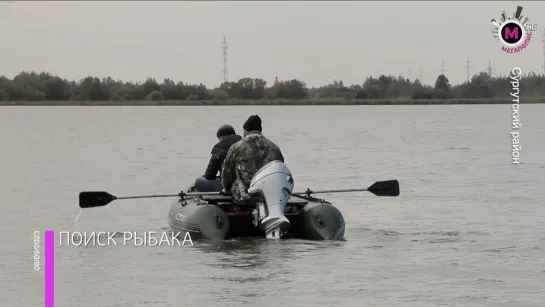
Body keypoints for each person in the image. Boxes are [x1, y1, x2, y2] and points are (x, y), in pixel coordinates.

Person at [221, 115, 284, 203]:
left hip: (244, 195)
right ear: (260, 130)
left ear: (246, 130)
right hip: (269, 193)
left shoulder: (237, 147)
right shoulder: (274, 147)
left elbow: (226, 174)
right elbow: (280, 169)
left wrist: (227, 188)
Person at [193, 124, 242, 192]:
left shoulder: (219, 147)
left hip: (230, 186)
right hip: (248, 183)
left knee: (199, 181)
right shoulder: (245, 143)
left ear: (221, 137)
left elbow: (209, 175)